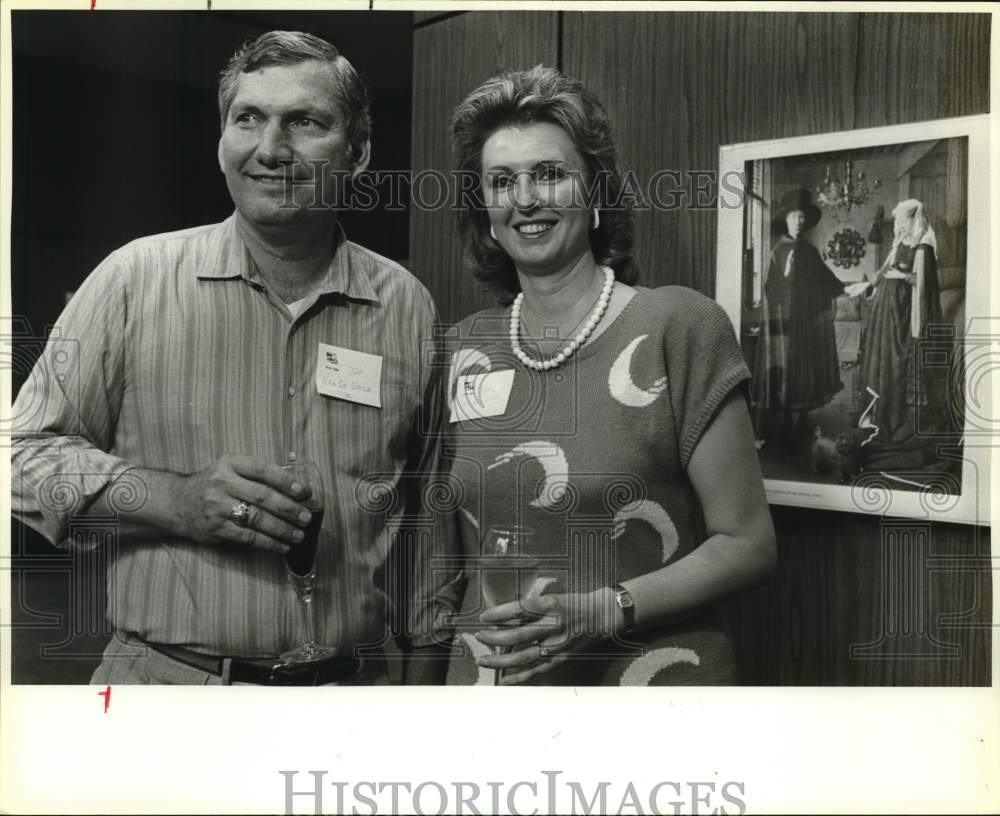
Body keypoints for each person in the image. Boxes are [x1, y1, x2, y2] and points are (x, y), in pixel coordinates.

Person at [11, 31, 458, 685]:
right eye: (248, 119)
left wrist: (420, 704)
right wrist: (176, 499)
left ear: (358, 151)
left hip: (353, 699)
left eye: (305, 122)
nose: (271, 150)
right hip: (167, 695)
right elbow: (20, 458)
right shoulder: (134, 280)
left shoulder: (407, 306)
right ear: (222, 142)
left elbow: (430, 527)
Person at [442, 66, 776, 686]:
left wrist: (605, 610)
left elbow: (748, 544)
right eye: (502, 181)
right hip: (495, 700)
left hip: (650, 695)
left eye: (549, 174)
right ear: (485, 210)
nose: (526, 199)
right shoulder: (462, 349)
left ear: (595, 193)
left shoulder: (680, 326)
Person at [846, 198, 945, 459]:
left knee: (895, 361)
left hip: (902, 313)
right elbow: (882, 271)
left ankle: (894, 416)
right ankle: (875, 413)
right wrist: (866, 286)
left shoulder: (923, 247)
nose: (898, 226)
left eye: (902, 221)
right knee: (880, 358)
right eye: (898, 222)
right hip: (885, 311)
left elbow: (924, 285)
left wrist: (902, 277)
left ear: (914, 220)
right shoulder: (899, 243)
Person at [751, 189, 844, 452]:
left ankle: (802, 421)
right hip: (784, 324)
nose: (799, 222)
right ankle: (788, 426)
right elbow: (771, 289)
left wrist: (848, 289)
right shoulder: (777, 251)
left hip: (805, 322)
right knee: (788, 372)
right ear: (787, 220)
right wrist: (786, 278)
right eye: (794, 217)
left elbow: (826, 280)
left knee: (805, 370)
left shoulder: (810, 251)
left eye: (802, 218)